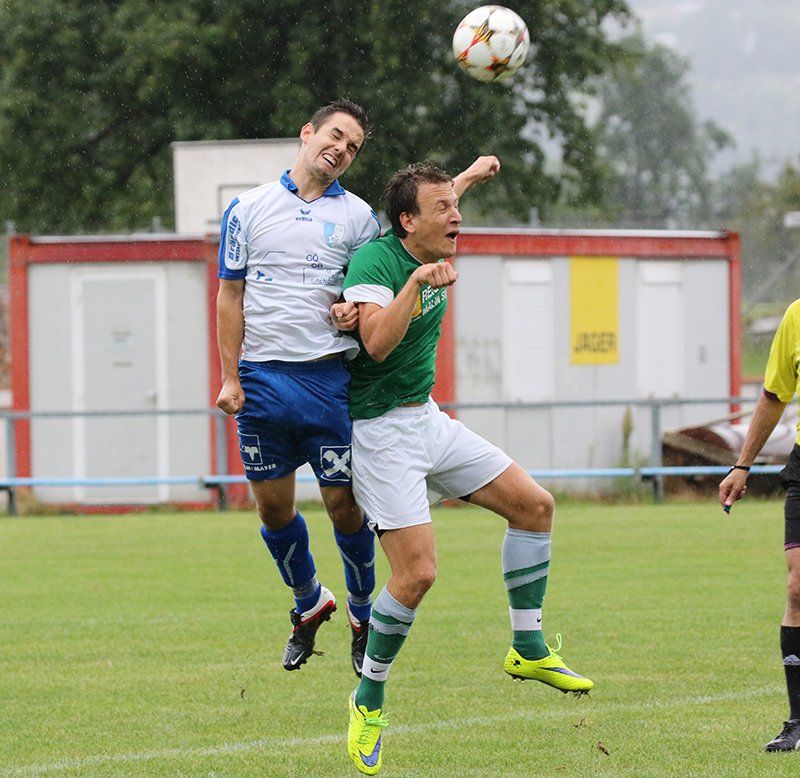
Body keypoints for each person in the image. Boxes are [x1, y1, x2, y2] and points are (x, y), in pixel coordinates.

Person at [215, 98, 501, 678]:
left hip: (327, 380)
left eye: (353, 147)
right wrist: (228, 376)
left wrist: (349, 310)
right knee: (273, 510)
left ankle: (362, 613)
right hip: (262, 381)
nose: (342, 149)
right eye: (336, 136)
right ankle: (308, 601)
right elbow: (230, 295)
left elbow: (413, 230)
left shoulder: (359, 218)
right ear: (308, 132)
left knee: (345, 509)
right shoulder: (247, 208)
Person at [341, 161, 593, 775]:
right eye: (444, 210)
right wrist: (415, 284)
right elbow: (375, 343)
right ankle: (368, 697)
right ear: (408, 222)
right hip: (380, 436)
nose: (456, 216)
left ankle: (527, 647)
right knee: (417, 574)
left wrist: (472, 174)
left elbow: (440, 194)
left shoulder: (427, 227)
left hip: (426, 420)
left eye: (456, 205)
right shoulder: (377, 263)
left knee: (535, 506)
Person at [720, 298, 800, 752]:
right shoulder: (796, 316)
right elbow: (774, 396)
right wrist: (742, 465)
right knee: (798, 588)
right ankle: (798, 722)